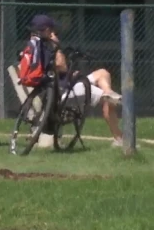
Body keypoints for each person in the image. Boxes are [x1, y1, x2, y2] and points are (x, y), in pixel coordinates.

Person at [29, 14, 124, 145]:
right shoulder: (44, 46)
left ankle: (108, 93)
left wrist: (69, 74)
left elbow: (56, 70)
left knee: (102, 73)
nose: (54, 33)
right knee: (109, 101)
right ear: (46, 30)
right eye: (52, 30)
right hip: (63, 93)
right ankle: (119, 138)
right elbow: (61, 65)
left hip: (64, 85)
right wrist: (56, 46)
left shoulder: (33, 46)